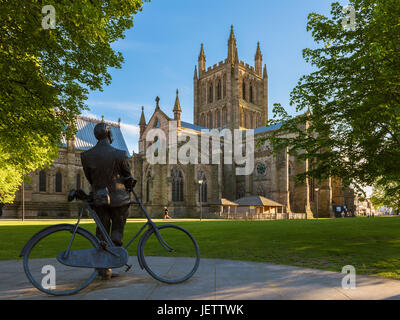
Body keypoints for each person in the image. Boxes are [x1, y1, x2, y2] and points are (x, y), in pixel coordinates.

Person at [81, 122, 136, 280]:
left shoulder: (86, 156)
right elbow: (127, 176)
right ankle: (112, 261)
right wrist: (130, 181)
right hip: (119, 199)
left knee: (101, 232)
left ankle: (103, 269)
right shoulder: (120, 154)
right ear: (109, 135)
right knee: (117, 232)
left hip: (99, 198)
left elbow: (90, 178)